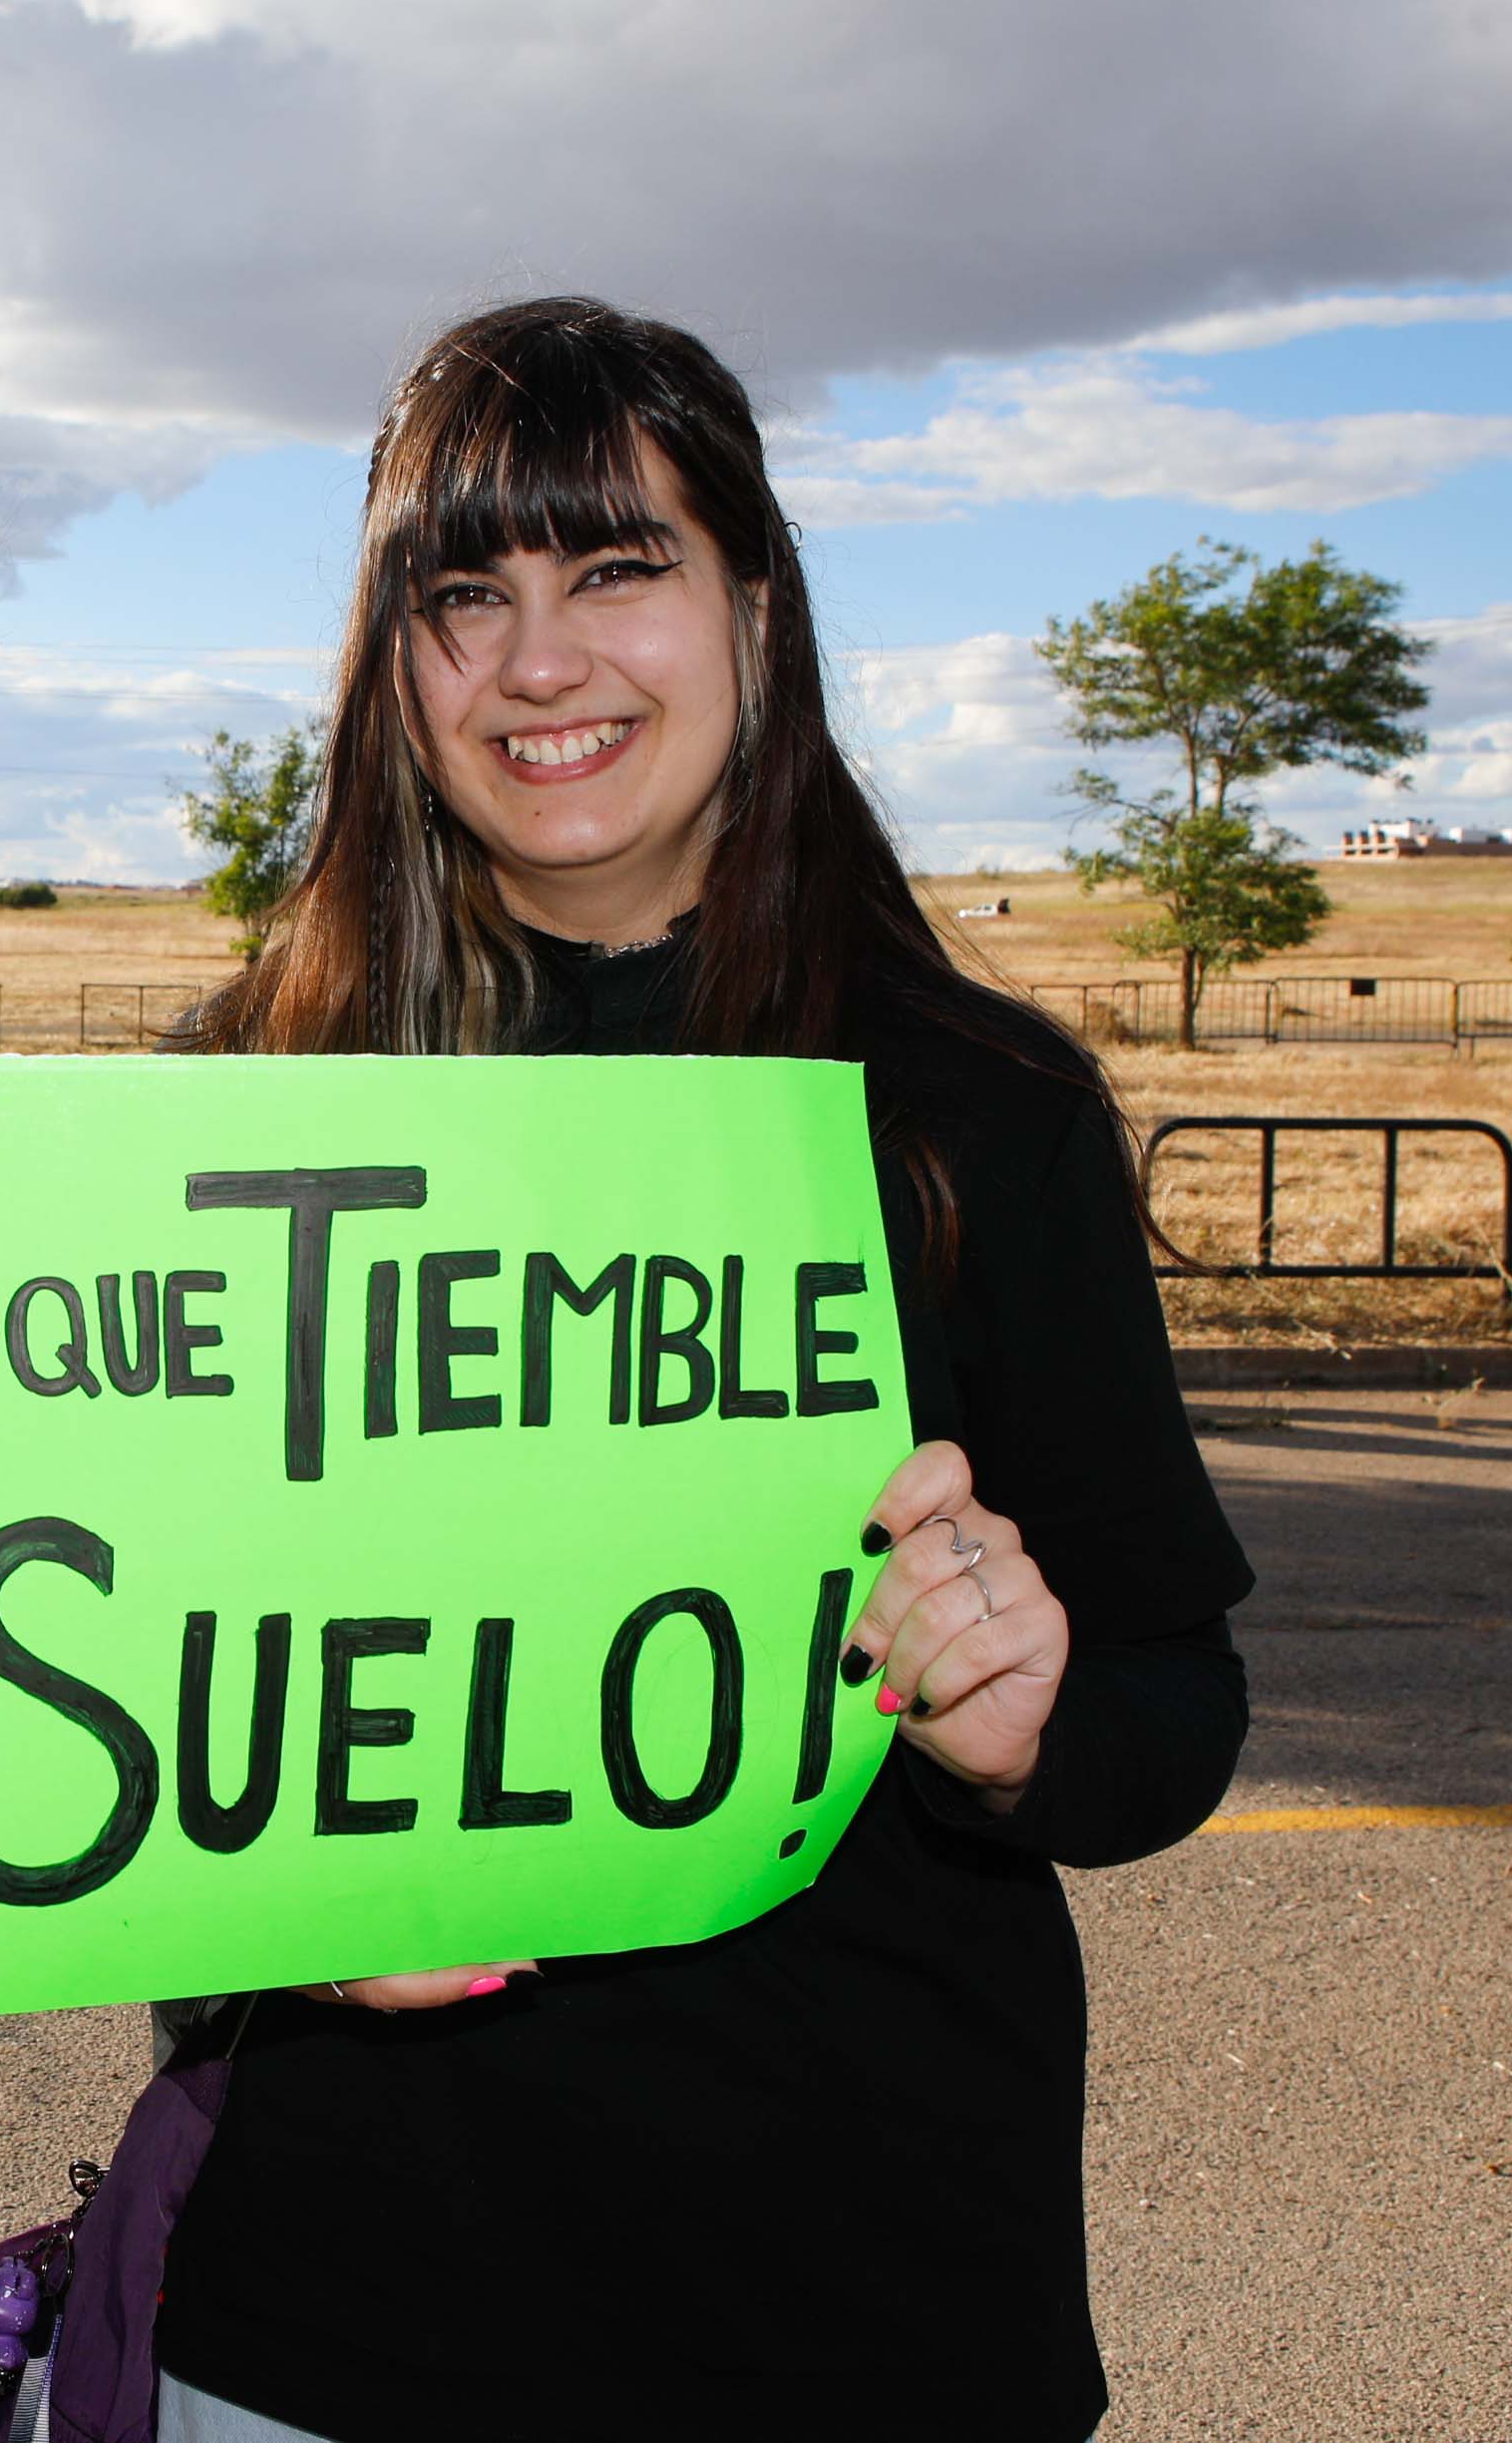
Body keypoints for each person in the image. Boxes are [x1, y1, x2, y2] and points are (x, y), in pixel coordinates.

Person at [146, 299, 1253, 2441]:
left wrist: (1028, 1730)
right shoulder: (234, 1107)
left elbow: (1166, 1703)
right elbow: (142, 1712)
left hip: (856, 2311)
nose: (538, 662)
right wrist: (276, 1910)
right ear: (391, 660)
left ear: (753, 597)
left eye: (617, 569)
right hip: (333, 2315)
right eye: (462, 595)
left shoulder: (970, 1117)